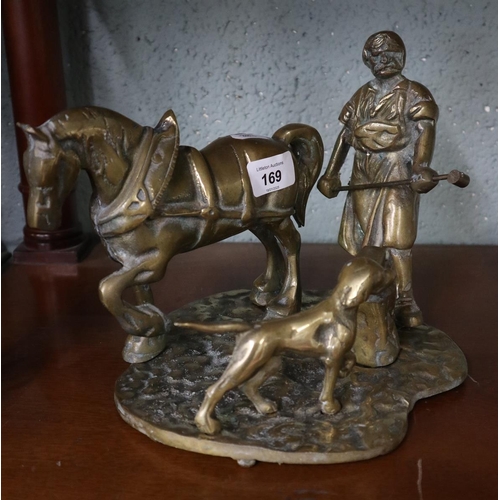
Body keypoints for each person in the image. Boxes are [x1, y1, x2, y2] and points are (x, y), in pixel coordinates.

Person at [317, 31, 438, 327]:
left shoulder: (414, 93)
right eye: (375, 55)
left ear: (402, 55)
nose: (383, 60)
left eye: (390, 53)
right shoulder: (361, 95)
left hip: (397, 170)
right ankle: (371, 288)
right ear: (367, 60)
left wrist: (421, 166)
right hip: (363, 170)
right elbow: (345, 136)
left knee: (397, 236)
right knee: (365, 237)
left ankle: (405, 298)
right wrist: (331, 172)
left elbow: (424, 131)